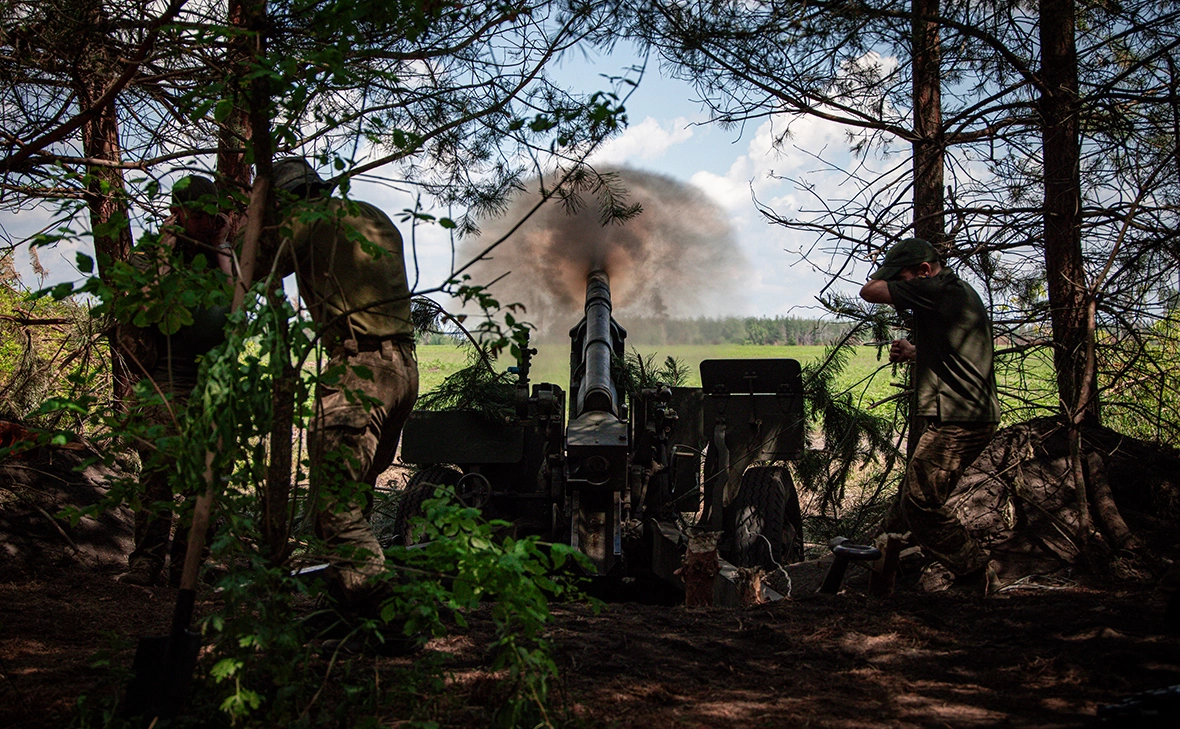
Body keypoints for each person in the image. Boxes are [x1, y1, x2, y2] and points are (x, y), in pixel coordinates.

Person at [270, 157, 419, 623]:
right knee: (352, 497)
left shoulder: (307, 221)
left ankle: (391, 611)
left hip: (360, 370)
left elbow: (253, 267)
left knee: (334, 505)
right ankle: (346, 608)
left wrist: (248, 225)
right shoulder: (372, 215)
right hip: (402, 369)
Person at [859, 238, 1000, 590]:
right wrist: (913, 352)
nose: (901, 287)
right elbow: (955, 354)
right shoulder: (951, 295)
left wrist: (894, 284)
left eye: (903, 278)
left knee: (921, 504)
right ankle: (883, 575)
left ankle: (977, 575)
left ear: (924, 271)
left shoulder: (941, 289)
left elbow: (870, 291)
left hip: (961, 419)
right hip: (959, 415)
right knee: (905, 506)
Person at [120, 175, 234, 586]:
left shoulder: (222, 254)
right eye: (198, 215)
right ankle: (147, 560)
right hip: (165, 373)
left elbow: (239, 306)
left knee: (209, 469)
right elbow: (146, 306)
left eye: (212, 215)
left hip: (212, 374)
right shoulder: (151, 254)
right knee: (158, 465)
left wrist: (221, 247)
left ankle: (190, 562)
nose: (205, 222)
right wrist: (167, 252)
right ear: (178, 213)